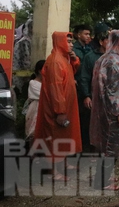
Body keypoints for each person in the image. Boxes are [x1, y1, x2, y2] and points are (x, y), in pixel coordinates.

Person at [33, 32, 81, 181]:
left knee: (63, 136)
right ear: (60, 42)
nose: (71, 44)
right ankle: (53, 172)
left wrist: (74, 60)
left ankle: (64, 164)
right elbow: (55, 88)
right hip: (57, 109)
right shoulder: (55, 61)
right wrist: (60, 111)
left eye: (71, 41)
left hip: (66, 106)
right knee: (54, 138)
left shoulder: (64, 58)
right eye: (68, 41)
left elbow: (72, 73)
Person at [89, 30, 119, 191]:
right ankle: (102, 181)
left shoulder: (104, 59)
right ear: (118, 42)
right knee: (111, 147)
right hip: (113, 113)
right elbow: (114, 90)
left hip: (104, 110)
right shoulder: (114, 61)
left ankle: (103, 176)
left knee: (105, 145)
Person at [78, 29, 109, 153]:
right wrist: (86, 96)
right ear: (101, 42)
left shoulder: (116, 58)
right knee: (91, 124)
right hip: (94, 96)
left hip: (109, 98)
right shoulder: (90, 57)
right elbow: (84, 78)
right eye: (109, 41)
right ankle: (90, 149)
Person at [23, 60, 46, 142]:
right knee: (33, 134)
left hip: (45, 110)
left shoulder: (47, 83)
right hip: (35, 110)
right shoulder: (33, 83)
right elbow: (44, 96)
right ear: (40, 71)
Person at [12, 18, 33, 96]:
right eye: (32, 27)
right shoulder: (25, 41)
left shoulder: (32, 40)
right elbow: (26, 60)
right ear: (28, 28)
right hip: (22, 73)